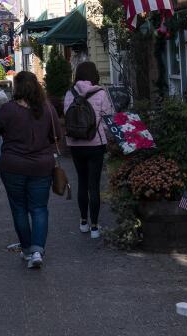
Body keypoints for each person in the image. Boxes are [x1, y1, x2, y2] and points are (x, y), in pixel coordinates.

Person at [0, 70, 62, 269]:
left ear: (16, 88)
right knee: (39, 208)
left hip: (13, 165)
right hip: (41, 165)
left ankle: (27, 249)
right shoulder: (47, 108)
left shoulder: (8, 109)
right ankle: (38, 251)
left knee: (19, 208)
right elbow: (58, 135)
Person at [62, 62, 115, 239]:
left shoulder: (70, 93)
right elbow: (107, 119)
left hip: (75, 144)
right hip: (95, 145)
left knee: (82, 183)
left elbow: (66, 117)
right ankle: (94, 227)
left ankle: (83, 221)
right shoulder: (100, 93)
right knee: (94, 185)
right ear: (94, 74)